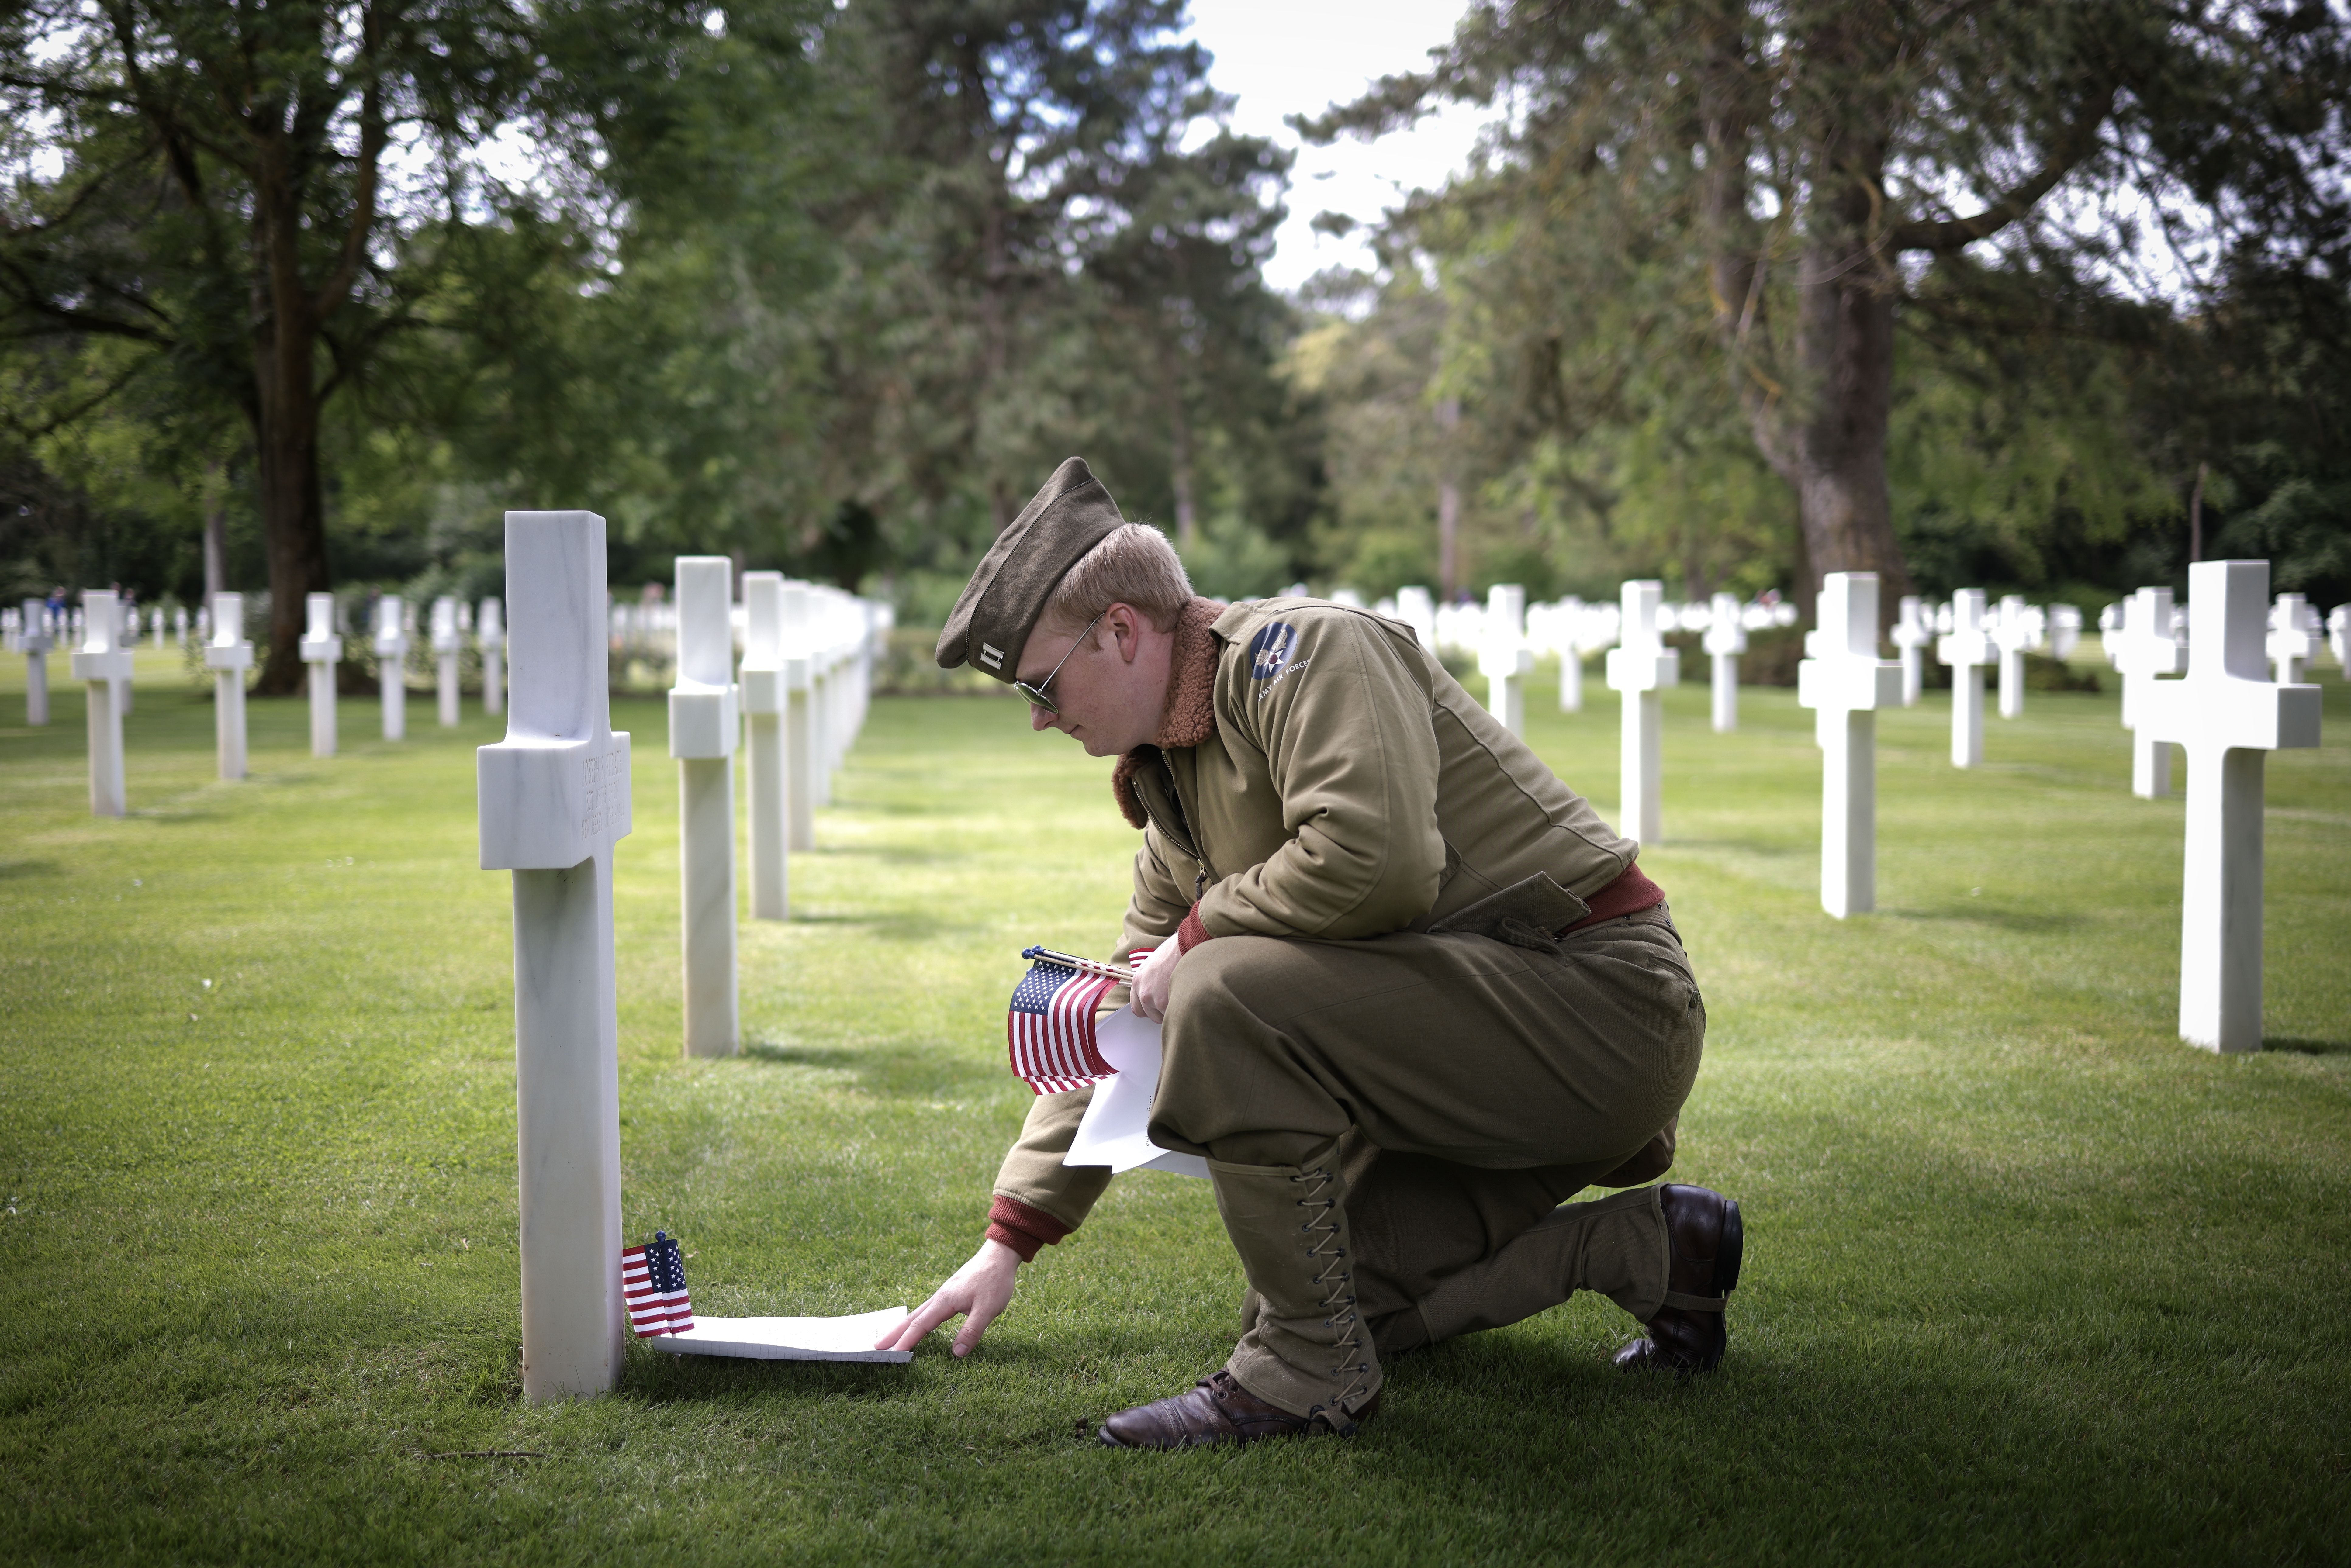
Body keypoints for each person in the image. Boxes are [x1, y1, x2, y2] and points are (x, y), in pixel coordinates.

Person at [881, 457, 1741, 1449]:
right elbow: (1117, 1016)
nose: (1037, 713)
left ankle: (1300, 1382)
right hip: (1470, 1056)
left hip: (1598, 1010)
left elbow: (1377, 863)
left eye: (1039, 681)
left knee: (1219, 986)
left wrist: (1200, 936)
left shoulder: (1309, 653)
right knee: (1347, 1308)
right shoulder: (1175, 788)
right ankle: (1653, 1249)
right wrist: (1008, 1241)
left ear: (1121, 630)